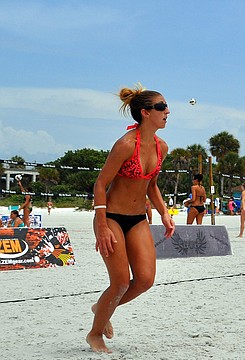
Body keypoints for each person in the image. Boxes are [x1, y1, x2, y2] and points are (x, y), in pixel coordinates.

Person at [87, 84, 175, 354]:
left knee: (145, 280)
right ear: (145, 113)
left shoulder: (162, 147)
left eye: (166, 106)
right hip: (111, 217)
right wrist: (101, 226)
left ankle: (102, 307)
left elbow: (152, 185)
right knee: (121, 281)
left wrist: (164, 213)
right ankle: (95, 334)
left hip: (137, 218)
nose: (167, 111)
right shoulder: (125, 144)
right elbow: (100, 184)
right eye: (161, 107)